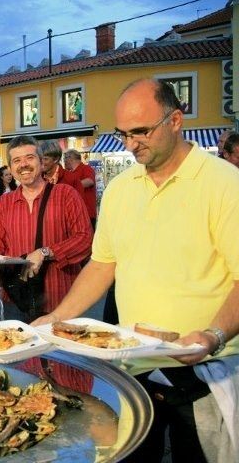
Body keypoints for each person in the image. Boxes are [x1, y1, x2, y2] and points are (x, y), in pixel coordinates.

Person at [33, 79, 239, 463]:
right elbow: (103, 263)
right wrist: (58, 317)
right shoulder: (121, 188)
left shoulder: (224, 183)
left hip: (204, 371)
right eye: (123, 134)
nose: (130, 145)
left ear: (175, 120)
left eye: (141, 131)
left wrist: (212, 335)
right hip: (131, 366)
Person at [0, 135, 93, 319]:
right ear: (10, 168)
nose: (23, 164)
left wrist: (45, 252)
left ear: (42, 162)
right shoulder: (4, 203)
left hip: (60, 300)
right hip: (17, 300)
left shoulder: (66, 194)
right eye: (17, 160)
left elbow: (85, 239)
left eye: (29, 158)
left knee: (59, 348)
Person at [63, 149, 98, 229]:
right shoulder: (70, 173)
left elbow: (90, 181)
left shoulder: (86, 168)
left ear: (70, 158)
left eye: (65, 158)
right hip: (75, 214)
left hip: (87, 213)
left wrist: (69, 188)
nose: (64, 161)